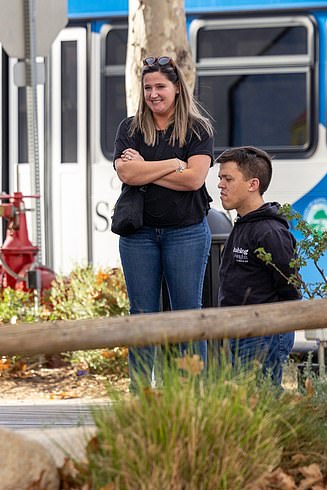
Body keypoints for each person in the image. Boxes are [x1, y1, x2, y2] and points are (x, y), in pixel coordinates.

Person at [113, 56, 215, 388]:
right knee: (142, 315)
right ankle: (141, 394)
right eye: (147, 88)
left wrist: (147, 170)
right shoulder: (129, 128)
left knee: (187, 313)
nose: (153, 94)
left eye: (160, 86)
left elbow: (195, 180)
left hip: (186, 232)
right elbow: (126, 172)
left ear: (176, 88)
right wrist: (173, 163)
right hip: (138, 234)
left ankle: (188, 393)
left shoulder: (197, 128)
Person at [217, 146, 301, 388]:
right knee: (248, 406)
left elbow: (290, 286)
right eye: (220, 178)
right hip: (239, 331)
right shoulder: (243, 224)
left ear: (253, 184)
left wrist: (277, 328)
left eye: (228, 179)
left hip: (264, 333)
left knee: (263, 402)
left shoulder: (270, 232)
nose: (221, 185)